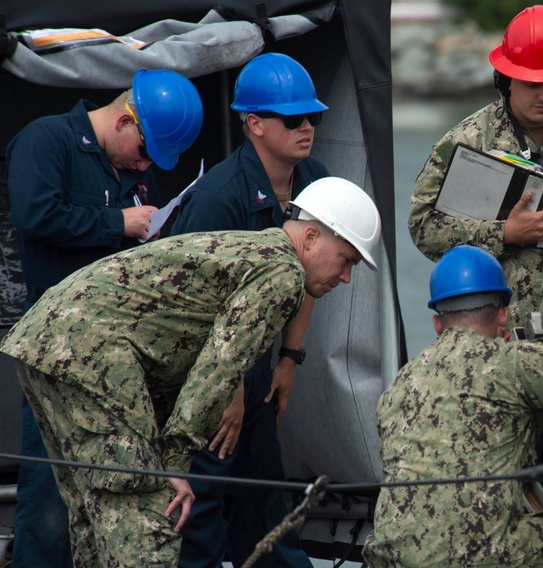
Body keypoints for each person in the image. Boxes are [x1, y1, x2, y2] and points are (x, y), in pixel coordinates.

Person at [0, 178, 382, 568]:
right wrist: (174, 463)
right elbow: (219, 368)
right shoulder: (283, 273)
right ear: (312, 236)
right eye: (346, 260)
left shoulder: (254, 250)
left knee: (96, 512)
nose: (347, 277)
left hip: (45, 337)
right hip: (90, 350)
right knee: (146, 518)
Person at [5, 68, 203, 567]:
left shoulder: (132, 167)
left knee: (113, 491)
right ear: (123, 121)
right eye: (144, 153)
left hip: (118, 354)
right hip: (57, 348)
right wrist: (116, 222)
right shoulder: (46, 140)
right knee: (51, 493)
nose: (145, 165)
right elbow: (36, 214)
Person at [364, 244, 543, 567]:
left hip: (389, 554)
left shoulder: (399, 386)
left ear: (438, 324)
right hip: (475, 554)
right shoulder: (515, 362)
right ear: (504, 313)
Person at [170, 52, 330, 568]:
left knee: (265, 491)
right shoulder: (219, 198)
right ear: (254, 124)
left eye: (314, 117)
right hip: (207, 365)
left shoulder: (316, 182)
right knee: (206, 489)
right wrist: (230, 391)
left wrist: (289, 360)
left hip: (260, 361)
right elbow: (199, 308)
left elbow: (311, 278)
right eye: (292, 119)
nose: (307, 127)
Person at [408, 5, 543, 329]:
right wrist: (505, 234)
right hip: (496, 338)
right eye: (533, 85)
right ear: (507, 79)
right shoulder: (467, 141)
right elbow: (423, 227)